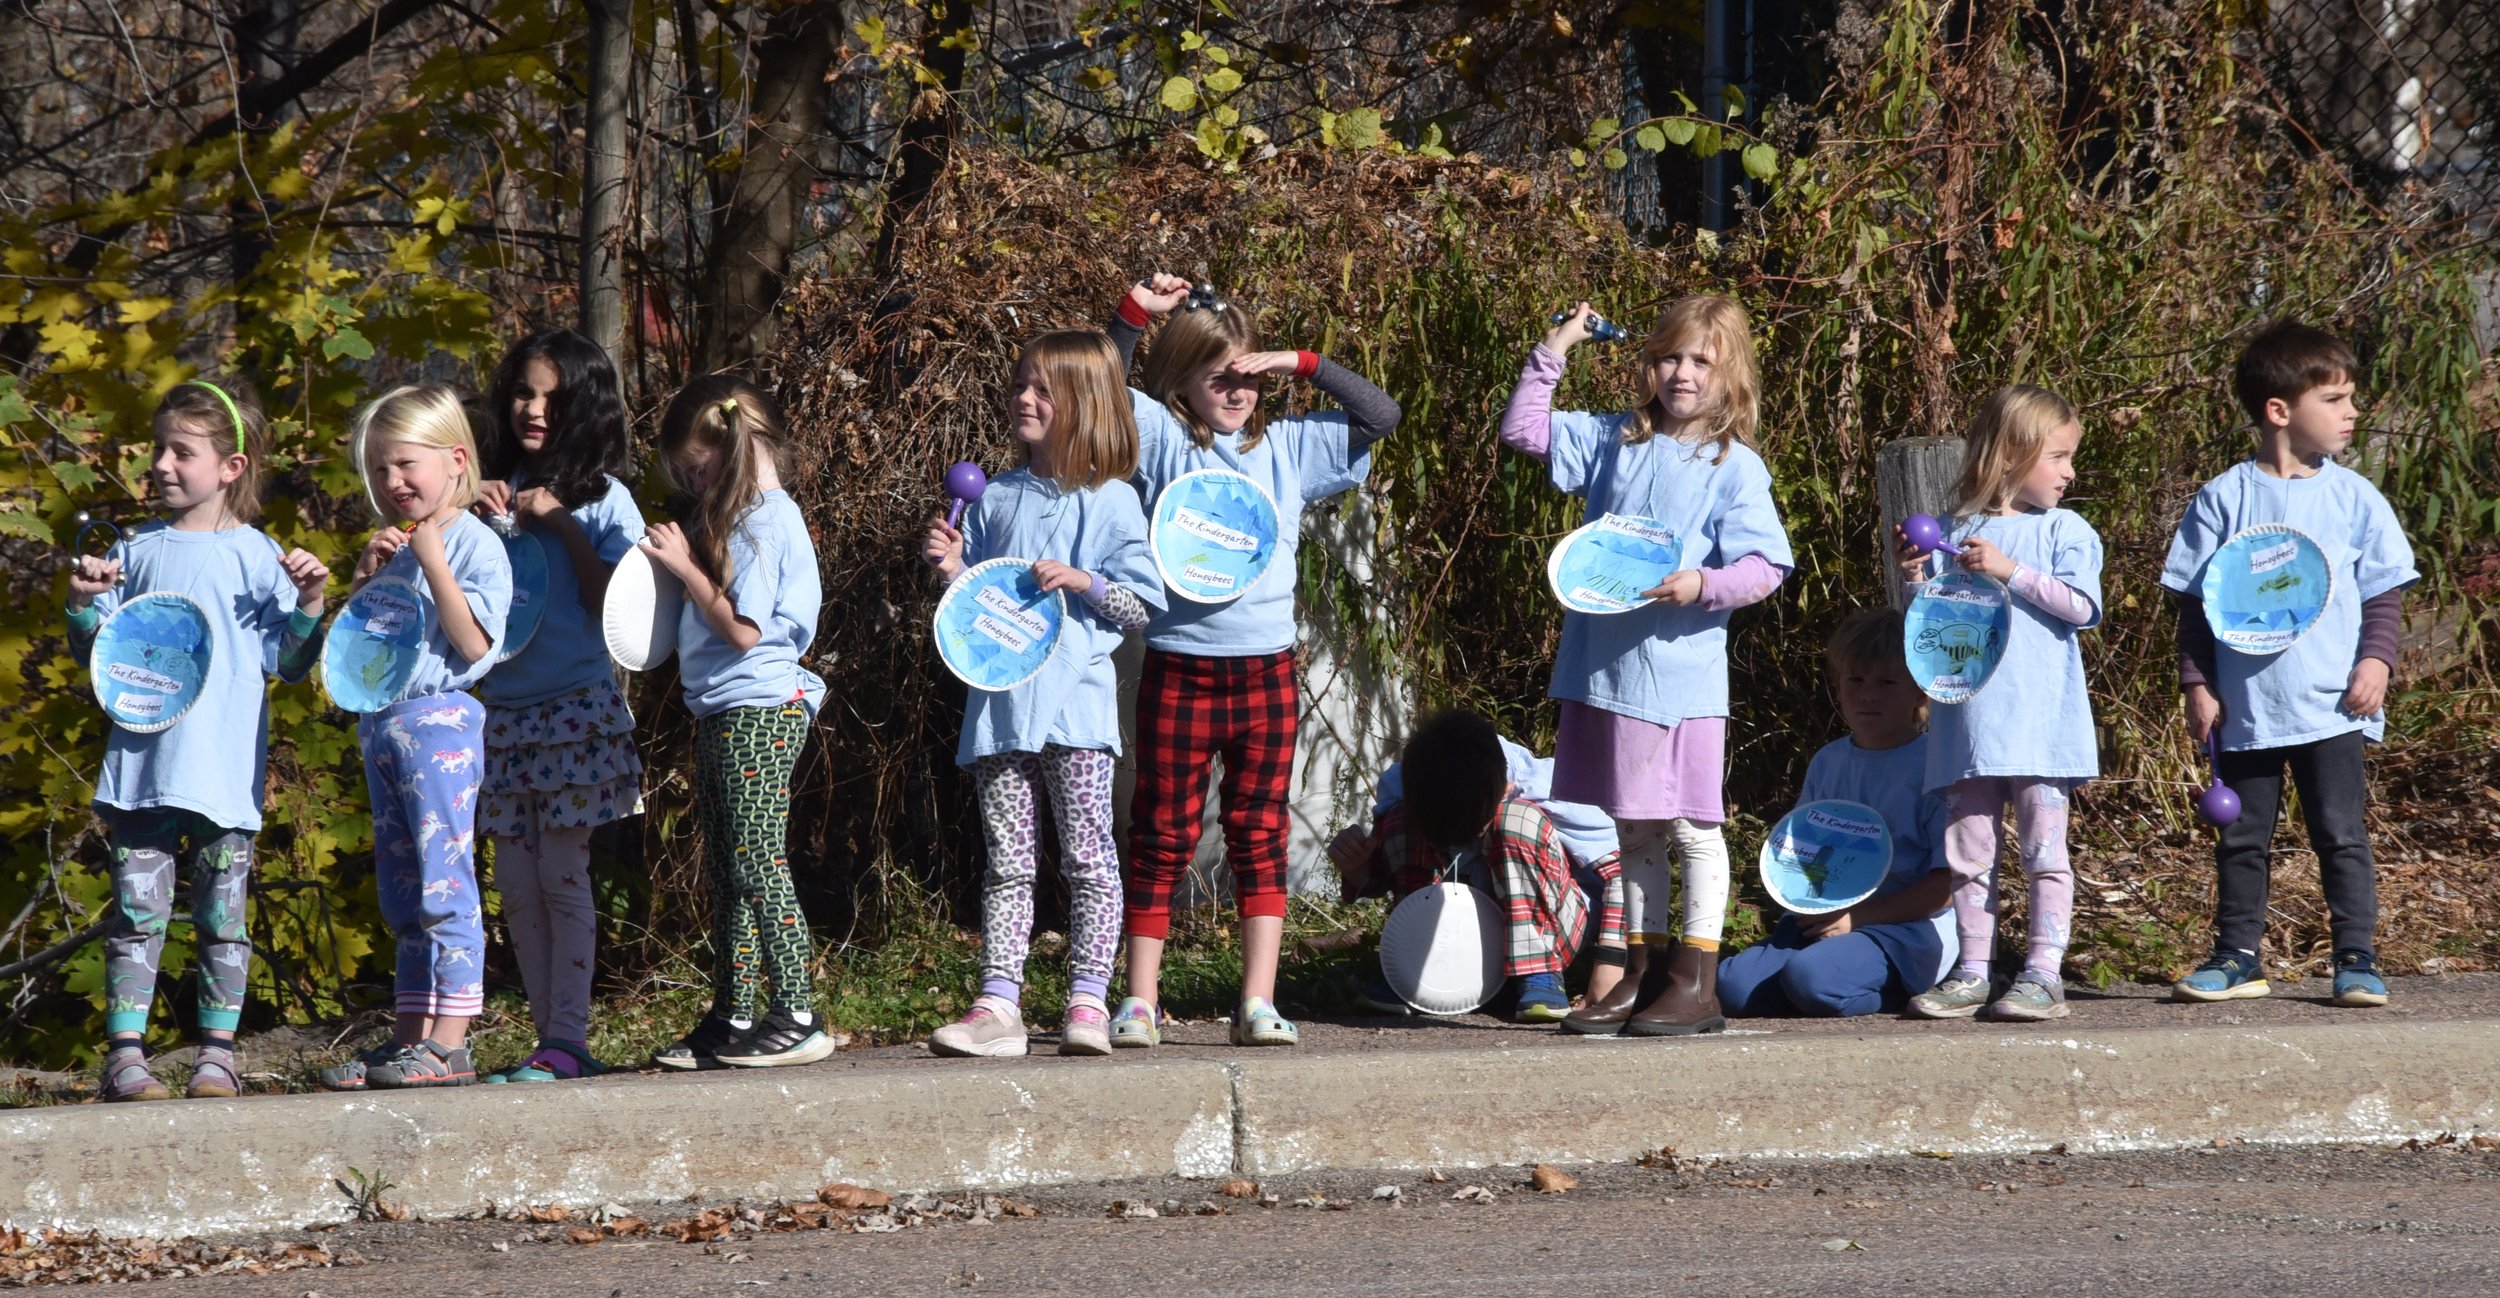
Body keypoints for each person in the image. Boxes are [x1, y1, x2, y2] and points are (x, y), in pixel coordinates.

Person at [1104, 274, 1403, 1049]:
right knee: (1161, 831)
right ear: (1183, 383)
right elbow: (1100, 385)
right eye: (1217, 376)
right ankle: (1140, 1000)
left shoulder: (1294, 447)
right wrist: (1136, 316)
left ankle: (1258, 1000)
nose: (1235, 389)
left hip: (1264, 672)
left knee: (1256, 831)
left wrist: (1301, 362)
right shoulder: (1167, 441)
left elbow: (1381, 414)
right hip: (1179, 664)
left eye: (1245, 374)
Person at [1501, 296, 1793, 1038]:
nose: (1682, 373)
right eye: (1670, 357)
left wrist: (1704, 584)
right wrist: (1559, 340)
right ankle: (1640, 968)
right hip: (1607, 673)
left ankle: (1696, 978)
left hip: (1681, 680)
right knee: (1632, 830)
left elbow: (1767, 566)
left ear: (1731, 375)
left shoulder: (1735, 467)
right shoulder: (1613, 438)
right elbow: (1524, 429)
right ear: (1648, 363)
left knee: (1692, 827)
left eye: (1701, 361)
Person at [67, 378, 330, 1100]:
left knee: (223, 919)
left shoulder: (257, 555)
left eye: (182, 451)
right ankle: (126, 1057)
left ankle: (218, 1055)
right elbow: (98, 656)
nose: (161, 463)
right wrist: (85, 604)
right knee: (136, 915)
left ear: (230, 468)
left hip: (221, 777)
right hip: (142, 771)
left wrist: (309, 601)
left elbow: (292, 664)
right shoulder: (135, 549)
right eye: (158, 448)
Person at [919, 331, 1165, 1057]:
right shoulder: (992, 497)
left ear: (1083, 405)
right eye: (1020, 385)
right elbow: (980, 608)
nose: (1024, 399)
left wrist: (1084, 580)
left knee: (1089, 855)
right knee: (1009, 860)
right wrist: (955, 567)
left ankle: (1088, 998)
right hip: (1001, 710)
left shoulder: (1114, 503)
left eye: (1042, 390)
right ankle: (999, 1003)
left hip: (1079, 711)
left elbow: (1142, 606)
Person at [2160, 321, 2416, 1007]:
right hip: (2246, 708)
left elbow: (2383, 591)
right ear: (2279, 410)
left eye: (2350, 397)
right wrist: (2198, 683)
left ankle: (2356, 958)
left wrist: (2377, 663)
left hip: (2333, 701)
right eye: (2334, 399)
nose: (2351, 412)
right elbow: (2195, 604)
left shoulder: (2353, 497)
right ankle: (2238, 956)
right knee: (2241, 836)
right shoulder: (2222, 498)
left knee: (2339, 832)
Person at [318, 385, 512, 1089]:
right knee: (402, 892)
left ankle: (451, 1041)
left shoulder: (476, 544)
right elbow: (359, 654)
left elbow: (473, 642)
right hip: (385, 726)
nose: (392, 483)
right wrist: (365, 579)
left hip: (441, 726)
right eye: (378, 470)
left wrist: (433, 559)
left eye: (405, 465)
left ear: (455, 460)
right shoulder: (397, 546)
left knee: (443, 880)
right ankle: (408, 1038)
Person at [642, 376, 838, 1069]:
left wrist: (687, 569)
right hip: (724, 711)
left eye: (698, 470)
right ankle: (734, 1013)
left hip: (759, 709)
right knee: (727, 871)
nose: (695, 486)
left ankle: (797, 1012)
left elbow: (744, 631)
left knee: (758, 861)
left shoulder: (762, 520)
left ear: (731, 447)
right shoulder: (743, 519)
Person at [470, 331, 647, 1083]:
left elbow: (625, 611)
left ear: (585, 405)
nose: (533, 410)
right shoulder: (486, 490)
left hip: (575, 706)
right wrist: (461, 520)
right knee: (514, 883)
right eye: (522, 393)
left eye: (551, 396)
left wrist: (564, 526)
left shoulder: (608, 498)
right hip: (501, 713)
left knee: (562, 877)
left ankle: (567, 1039)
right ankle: (550, 1041)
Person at [1895, 385, 2102, 1022]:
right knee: (1966, 854)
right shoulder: (1956, 531)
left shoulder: (2066, 530)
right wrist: (1915, 585)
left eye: (2070, 459)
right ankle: (1973, 971)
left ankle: (2043, 972)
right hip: (1967, 729)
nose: (2070, 473)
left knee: (2044, 851)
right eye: (2059, 457)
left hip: (2040, 728)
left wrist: (2013, 572)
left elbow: (2083, 608)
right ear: (2011, 455)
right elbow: (1929, 632)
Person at [1718, 610, 1954, 1018]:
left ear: (1920, 692)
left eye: (1887, 682)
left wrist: (1857, 918)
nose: (1868, 695)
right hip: (1824, 920)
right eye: (1856, 680)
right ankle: (1821, 979)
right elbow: (1799, 855)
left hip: (1907, 931)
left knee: (1813, 981)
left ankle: (1892, 991)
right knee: (1733, 987)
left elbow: (1947, 885)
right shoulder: (1829, 762)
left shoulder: (1937, 766)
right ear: (1838, 687)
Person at [1328, 710, 1625, 1023]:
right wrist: (1356, 867)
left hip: (1552, 932)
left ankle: (1538, 975)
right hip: (1463, 936)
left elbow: (1623, 873)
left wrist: (1609, 969)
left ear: (1506, 790)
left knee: (1516, 821)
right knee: (1400, 822)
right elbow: (1388, 873)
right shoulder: (1400, 786)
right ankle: (1417, 968)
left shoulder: (1556, 789)